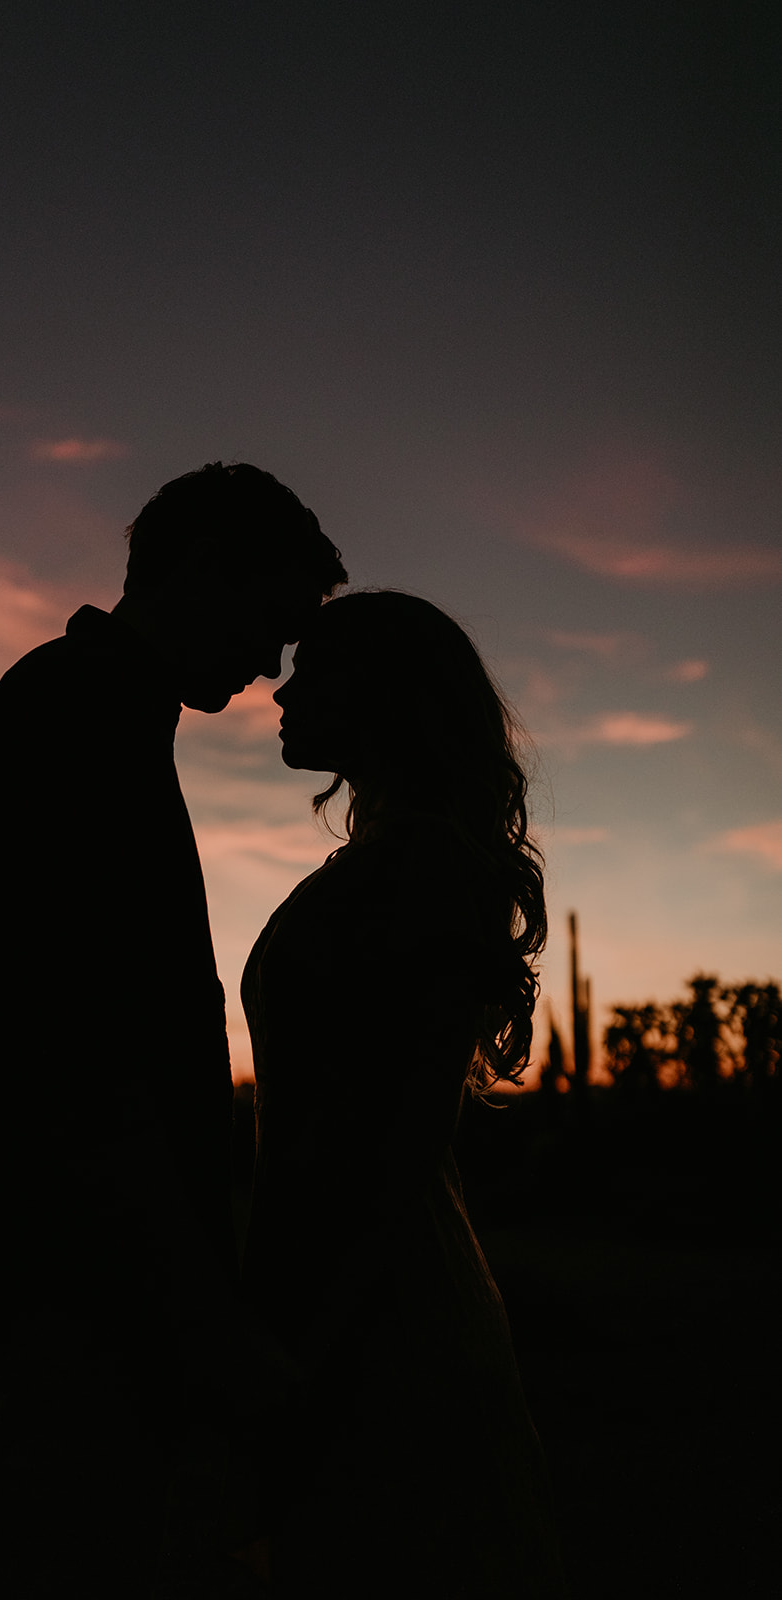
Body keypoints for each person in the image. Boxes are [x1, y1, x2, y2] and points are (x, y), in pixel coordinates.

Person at [0, 462, 347, 1598]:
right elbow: (80, 1062)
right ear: (200, 570)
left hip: (75, 1293)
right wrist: (205, 1320)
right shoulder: (76, 720)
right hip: (65, 1304)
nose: (269, 664)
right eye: (270, 622)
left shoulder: (96, 712)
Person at [240, 591, 568, 1597]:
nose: (280, 693)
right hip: (359, 1290)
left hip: (381, 1313)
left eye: (317, 672)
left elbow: (387, 1146)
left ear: (381, 696)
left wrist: (305, 1350)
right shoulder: (391, 859)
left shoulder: (416, 866)